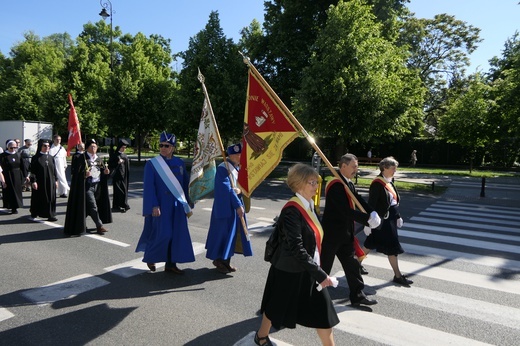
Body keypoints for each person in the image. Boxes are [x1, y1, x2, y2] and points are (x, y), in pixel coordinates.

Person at [255, 163, 339, 346]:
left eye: (317, 182)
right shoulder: (292, 210)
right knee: (276, 305)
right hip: (290, 269)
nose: (317, 186)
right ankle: (261, 336)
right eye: (312, 182)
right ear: (300, 184)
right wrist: (320, 274)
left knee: (325, 314)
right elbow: (296, 247)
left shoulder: (308, 206)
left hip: (309, 269)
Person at [321, 154, 380, 306]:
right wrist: (366, 220)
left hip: (345, 235)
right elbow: (344, 210)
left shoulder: (347, 183)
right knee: (323, 268)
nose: (356, 169)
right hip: (332, 235)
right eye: (353, 166)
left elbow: (358, 199)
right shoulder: (336, 185)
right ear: (343, 166)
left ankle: (357, 295)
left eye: (357, 166)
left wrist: (372, 212)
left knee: (353, 266)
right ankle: (314, 298)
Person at [136, 132, 195, 275]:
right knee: (163, 234)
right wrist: (154, 205)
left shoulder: (180, 163)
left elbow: (185, 183)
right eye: (161, 145)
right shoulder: (152, 164)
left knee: (176, 235)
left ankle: (171, 264)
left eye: (167, 146)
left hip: (177, 205)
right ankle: (151, 257)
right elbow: (149, 187)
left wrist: (189, 200)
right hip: (161, 205)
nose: (163, 148)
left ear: (173, 148)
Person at [363, 157, 413, 287]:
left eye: (395, 168)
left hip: (390, 219)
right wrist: (367, 222)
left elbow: (393, 202)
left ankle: (355, 265)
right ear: (384, 168)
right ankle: (397, 275)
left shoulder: (389, 181)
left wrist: (398, 216)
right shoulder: (377, 184)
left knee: (370, 243)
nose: (395, 170)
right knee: (392, 247)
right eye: (393, 168)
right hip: (381, 221)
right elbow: (371, 204)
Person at [205, 143, 253, 274]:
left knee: (232, 235)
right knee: (222, 235)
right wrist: (237, 204)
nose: (239, 157)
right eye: (236, 155)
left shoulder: (238, 168)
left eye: (240, 154)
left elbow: (241, 187)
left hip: (234, 206)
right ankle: (218, 260)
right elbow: (226, 189)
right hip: (225, 208)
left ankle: (226, 261)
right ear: (230, 155)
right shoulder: (223, 168)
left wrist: (240, 192)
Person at [63, 139, 112, 236]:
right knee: (93, 206)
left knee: (86, 207)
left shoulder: (99, 159)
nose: (94, 148)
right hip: (87, 186)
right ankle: (99, 225)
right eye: (92, 146)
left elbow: (101, 172)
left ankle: (78, 224)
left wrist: (106, 173)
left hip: (97, 186)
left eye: (95, 146)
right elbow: (75, 173)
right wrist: (84, 174)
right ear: (87, 148)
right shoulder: (81, 158)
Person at [29, 139, 58, 221]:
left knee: (51, 197)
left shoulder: (51, 157)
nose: (47, 147)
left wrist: (56, 180)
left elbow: (54, 169)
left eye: (48, 146)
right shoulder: (36, 158)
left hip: (50, 181)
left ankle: (50, 214)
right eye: (45, 146)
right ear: (40, 147)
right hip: (40, 182)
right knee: (38, 197)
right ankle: (35, 212)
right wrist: (33, 181)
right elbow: (33, 171)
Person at [0, 140, 28, 214]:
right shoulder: (2, 156)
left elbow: (22, 166)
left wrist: (26, 176)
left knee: (17, 190)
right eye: (11, 148)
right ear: (7, 147)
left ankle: (15, 206)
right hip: (7, 175)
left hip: (17, 175)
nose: (13, 149)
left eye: (15, 147)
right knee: (9, 191)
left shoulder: (18, 155)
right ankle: (10, 206)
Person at [109, 139, 131, 213]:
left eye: (125, 147)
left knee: (122, 190)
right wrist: (117, 163)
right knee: (120, 191)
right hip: (117, 176)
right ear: (119, 147)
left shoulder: (125, 155)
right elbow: (110, 165)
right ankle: (125, 205)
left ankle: (116, 206)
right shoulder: (115, 155)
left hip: (124, 176)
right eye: (123, 147)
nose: (124, 149)